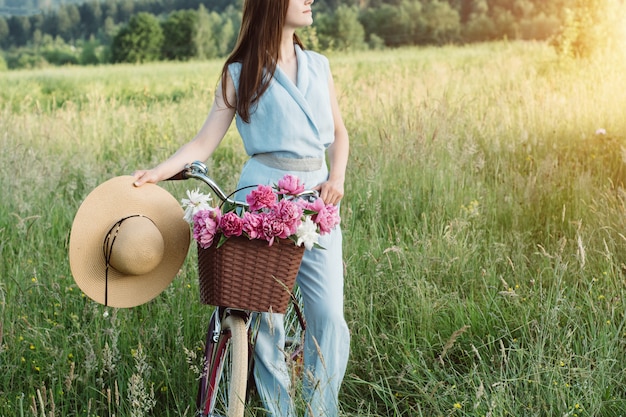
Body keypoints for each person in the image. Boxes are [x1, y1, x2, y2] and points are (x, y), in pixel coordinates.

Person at [132, 0, 350, 415]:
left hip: (316, 201)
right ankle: (278, 409)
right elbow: (202, 142)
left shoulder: (319, 65)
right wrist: (159, 171)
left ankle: (323, 409)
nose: (310, 1)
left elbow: (338, 133)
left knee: (329, 317)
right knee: (266, 319)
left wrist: (336, 177)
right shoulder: (240, 72)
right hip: (262, 199)